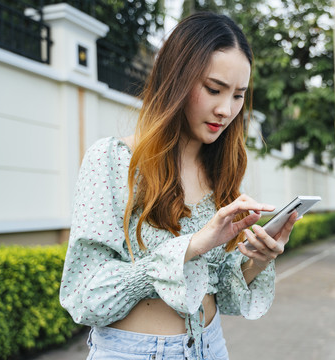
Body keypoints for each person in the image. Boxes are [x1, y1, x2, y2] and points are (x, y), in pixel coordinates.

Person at [60, 12, 297, 360]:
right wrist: (191, 246)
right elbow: (84, 296)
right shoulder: (112, 160)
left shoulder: (220, 171)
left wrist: (257, 260)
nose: (226, 109)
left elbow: (223, 294)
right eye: (214, 89)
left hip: (211, 347)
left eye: (238, 95)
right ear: (176, 79)